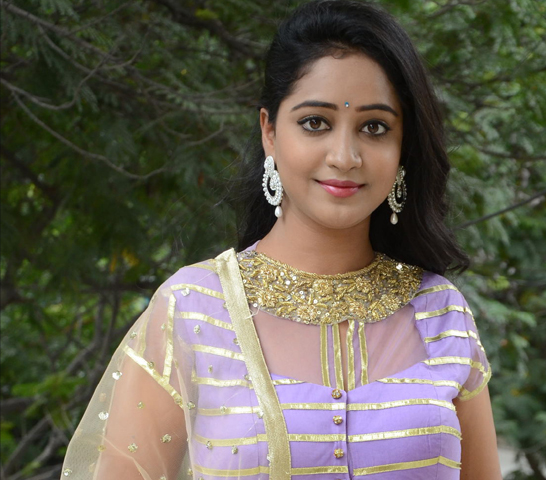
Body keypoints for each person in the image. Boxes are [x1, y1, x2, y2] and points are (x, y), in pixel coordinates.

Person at [60, 1, 501, 479]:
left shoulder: (440, 315)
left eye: (374, 127)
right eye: (316, 123)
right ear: (269, 132)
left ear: (402, 147)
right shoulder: (193, 311)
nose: (344, 156)